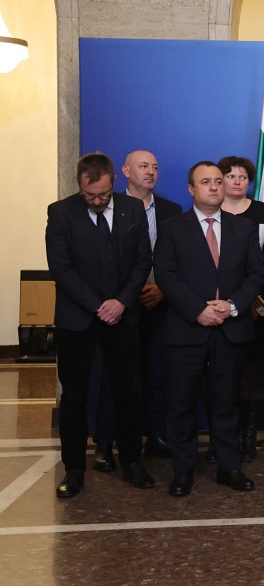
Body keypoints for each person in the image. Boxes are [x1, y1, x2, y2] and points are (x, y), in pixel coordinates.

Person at [45, 152, 155, 498]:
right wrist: (97, 305)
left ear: (113, 182)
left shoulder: (132, 209)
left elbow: (143, 261)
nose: (96, 201)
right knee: (74, 397)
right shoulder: (60, 212)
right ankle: (74, 469)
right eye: (89, 195)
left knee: (129, 392)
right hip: (77, 320)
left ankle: (132, 462)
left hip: (123, 316)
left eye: (103, 195)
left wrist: (121, 301)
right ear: (80, 185)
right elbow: (61, 269)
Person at [155, 161, 264, 496]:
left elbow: (255, 275)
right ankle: (183, 471)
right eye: (206, 182)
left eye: (218, 181)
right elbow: (166, 275)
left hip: (231, 330)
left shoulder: (244, 227)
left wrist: (231, 306)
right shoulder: (172, 228)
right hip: (186, 330)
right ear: (191, 189)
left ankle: (230, 468)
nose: (214, 187)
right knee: (182, 403)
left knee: (227, 402)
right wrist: (197, 311)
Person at [92, 149, 183, 468]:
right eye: (143, 166)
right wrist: (123, 297)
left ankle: (157, 436)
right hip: (120, 306)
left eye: (155, 167)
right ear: (126, 171)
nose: (151, 172)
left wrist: (163, 290)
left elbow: (180, 259)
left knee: (159, 374)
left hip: (160, 303)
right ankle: (105, 442)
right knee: (113, 376)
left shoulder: (172, 211)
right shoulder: (108, 205)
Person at [218, 155, 264, 460]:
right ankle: (222, 437)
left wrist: (251, 283)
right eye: (231, 176)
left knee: (253, 368)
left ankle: (248, 436)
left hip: (258, 301)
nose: (237, 181)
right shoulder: (211, 211)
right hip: (218, 301)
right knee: (220, 369)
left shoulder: (262, 211)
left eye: (243, 177)